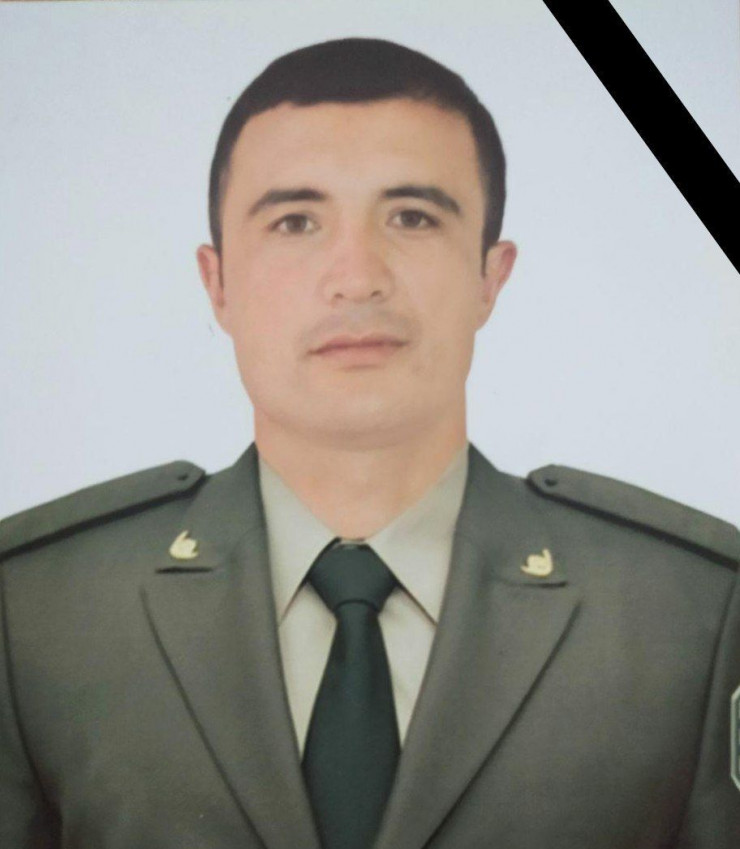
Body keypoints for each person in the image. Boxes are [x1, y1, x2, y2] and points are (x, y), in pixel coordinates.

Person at [1, 37, 738, 849]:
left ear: (490, 276)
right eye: (295, 221)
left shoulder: (690, 613)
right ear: (218, 283)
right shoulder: (37, 611)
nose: (356, 276)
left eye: (412, 217)